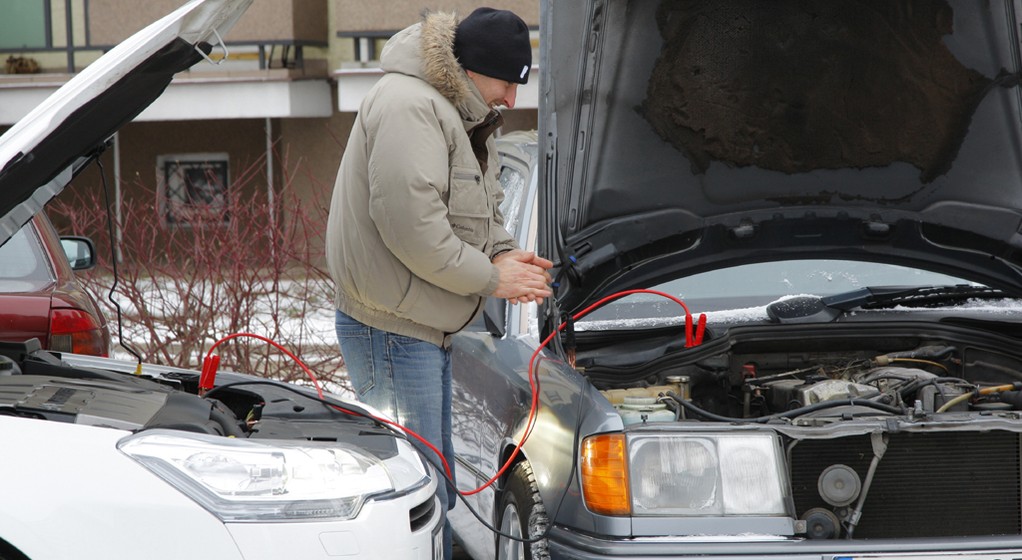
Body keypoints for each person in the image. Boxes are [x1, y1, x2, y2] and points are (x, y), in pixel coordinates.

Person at [324, 7, 553, 560]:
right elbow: (414, 230)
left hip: (421, 325)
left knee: (433, 485)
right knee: (415, 495)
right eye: (507, 83)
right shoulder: (410, 107)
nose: (511, 99)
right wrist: (492, 277)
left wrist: (503, 251)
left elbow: (480, 208)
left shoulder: (461, 112)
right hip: (392, 330)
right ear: (473, 70)